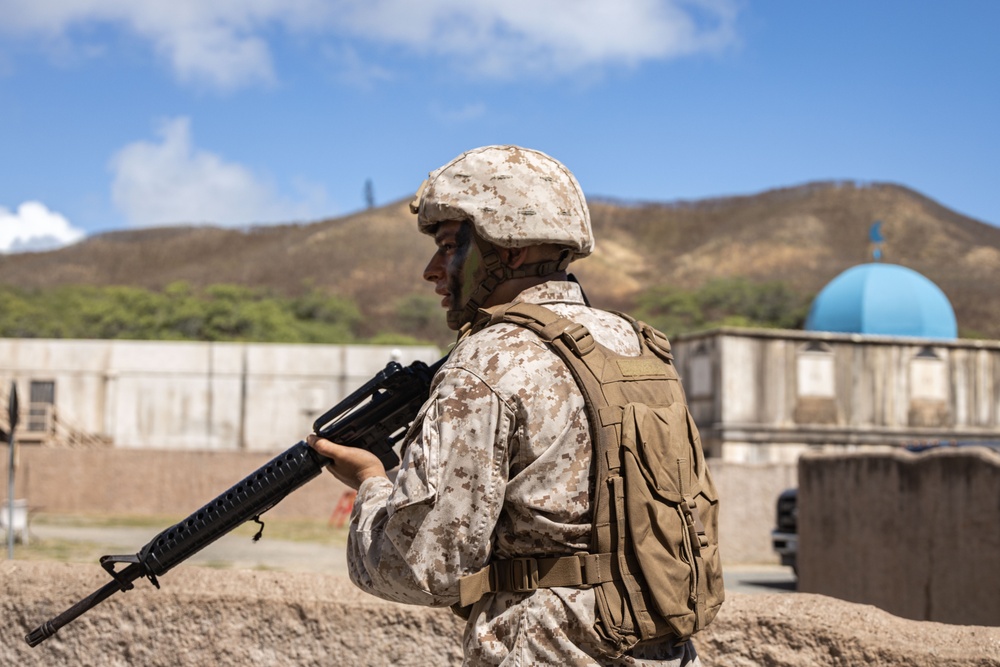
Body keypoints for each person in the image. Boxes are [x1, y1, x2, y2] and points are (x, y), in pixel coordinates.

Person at [308, 145, 700, 666]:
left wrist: (372, 483)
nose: (431, 270)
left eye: (449, 246)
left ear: (509, 250)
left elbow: (423, 568)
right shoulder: (636, 343)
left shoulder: (486, 363)